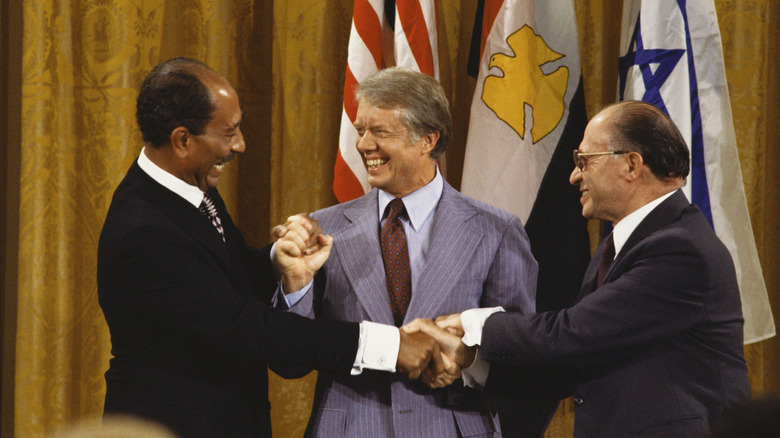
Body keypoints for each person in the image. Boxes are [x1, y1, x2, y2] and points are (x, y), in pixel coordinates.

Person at [97, 58, 443, 438]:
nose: (240, 145)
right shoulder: (144, 234)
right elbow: (250, 328)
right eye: (229, 133)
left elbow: (228, 276)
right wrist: (391, 345)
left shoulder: (188, 190)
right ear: (182, 140)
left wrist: (278, 260)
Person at [408, 100, 751, 437]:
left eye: (584, 161)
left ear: (631, 165)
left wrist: (470, 323)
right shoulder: (619, 247)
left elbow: (571, 333)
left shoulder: (679, 249)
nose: (574, 176)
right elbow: (573, 361)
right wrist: (470, 361)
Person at [273, 67, 538, 437]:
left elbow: (519, 357)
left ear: (428, 140)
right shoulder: (323, 231)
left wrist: (462, 362)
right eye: (361, 130)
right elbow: (289, 359)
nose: (364, 145)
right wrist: (295, 285)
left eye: (380, 132)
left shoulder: (495, 230)